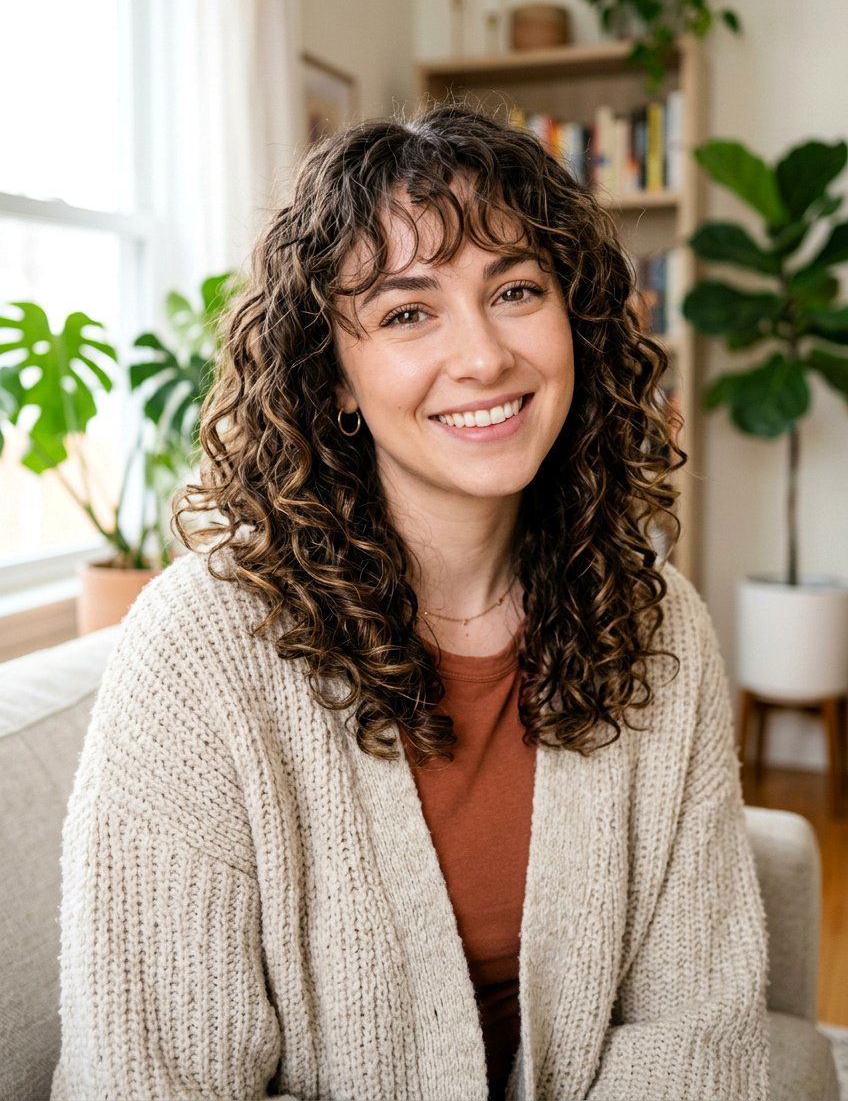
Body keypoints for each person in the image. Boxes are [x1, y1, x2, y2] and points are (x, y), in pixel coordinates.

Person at [50, 100, 770, 1101]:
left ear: (575, 319)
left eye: (515, 290)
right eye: (406, 312)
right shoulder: (198, 650)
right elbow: (154, 1078)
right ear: (334, 377)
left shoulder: (656, 622)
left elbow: (696, 1027)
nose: (483, 356)